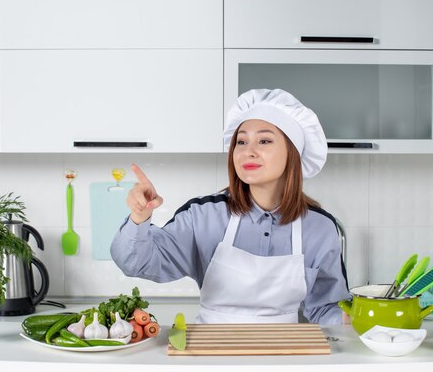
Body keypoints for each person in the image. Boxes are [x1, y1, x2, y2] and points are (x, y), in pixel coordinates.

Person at [111, 88, 350, 324]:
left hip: (283, 356)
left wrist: (358, 320)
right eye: (241, 141)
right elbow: (137, 264)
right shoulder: (201, 215)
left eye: (264, 140)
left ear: (293, 154)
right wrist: (139, 218)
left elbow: (325, 308)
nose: (248, 152)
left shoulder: (320, 228)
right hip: (211, 355)